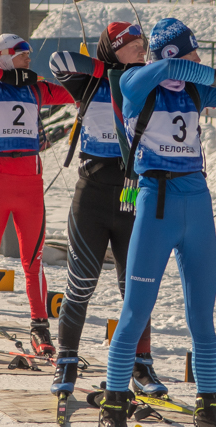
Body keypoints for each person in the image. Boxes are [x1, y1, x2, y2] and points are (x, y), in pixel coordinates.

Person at [94, 18, 216, 427]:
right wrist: (211, 72)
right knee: (134, 313)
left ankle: (209, 414)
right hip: (156, 202)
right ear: (171, 56)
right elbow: (174, 71)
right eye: (191, 54)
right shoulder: (135, 81)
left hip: (197, 202)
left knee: (202, 320)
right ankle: (114, 408)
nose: (198, 61)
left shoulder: (195, 90)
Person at [46, 23, 163, 398]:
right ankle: (66, 359)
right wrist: (106, 70)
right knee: (80, 285)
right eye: (133, 46)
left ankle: (140, 365)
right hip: (92, 195)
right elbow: (58, 61)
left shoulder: (145, 81)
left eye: (143, 45)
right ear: (113, 50)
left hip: (133, 195)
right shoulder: (91, 83)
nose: (142, 51)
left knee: (136, 289)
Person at [0, 34, 75, 357]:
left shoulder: (35, 87)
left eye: (29, 53)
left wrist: (79, 74)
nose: (28, 58)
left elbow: (75, 94)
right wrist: (4, 75)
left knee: (32, 261)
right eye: (21, 53)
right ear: (3, 56)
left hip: (30, 184)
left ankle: (39, 328)